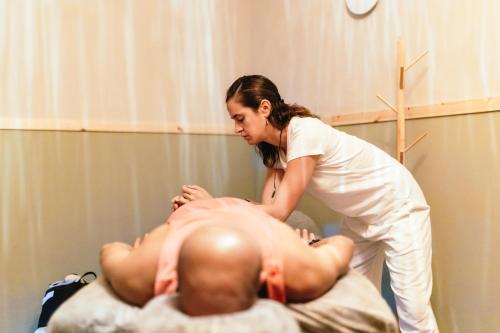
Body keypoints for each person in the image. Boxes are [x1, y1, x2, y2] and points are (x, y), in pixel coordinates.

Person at [171, 75, 439, 332]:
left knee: (413, 308)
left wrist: (213, 206)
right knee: (350, 302)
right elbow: (270, 216)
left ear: (264, 107)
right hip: (359, 218)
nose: (236, 128)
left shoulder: (305, 131)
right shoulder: (275, 150)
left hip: (398, 207)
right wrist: (210, 210)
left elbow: (278, 210)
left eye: (240, 118)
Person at [100, 197, 353, 315]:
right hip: (194, 211)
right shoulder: (151, 264)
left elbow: (110, 250)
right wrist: (312, 249)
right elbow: (341, 245)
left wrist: (134, 254)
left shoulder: (288, 260)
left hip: (244, 209)